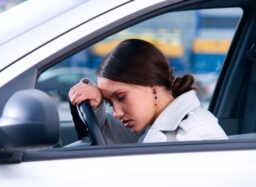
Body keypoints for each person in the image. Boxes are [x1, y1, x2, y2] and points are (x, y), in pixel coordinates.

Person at [69, 38, 227, 144]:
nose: (116, 113)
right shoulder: (154, 124)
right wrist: (95, 103)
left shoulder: (198, 135)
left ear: (153, 86)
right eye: (109, 102)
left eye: (121, 97)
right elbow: (107, 137)